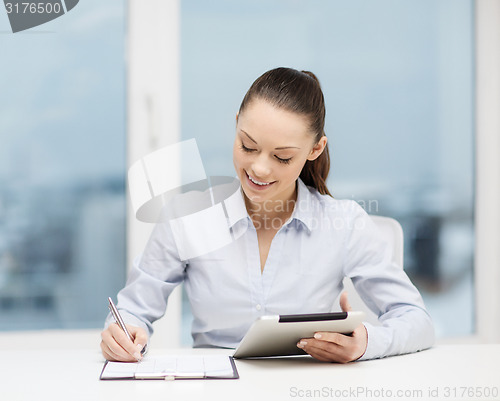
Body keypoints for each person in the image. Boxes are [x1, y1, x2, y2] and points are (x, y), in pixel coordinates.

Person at [100, 67, 435, 363]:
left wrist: (365, 342)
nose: (259, 168)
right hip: (218, 387)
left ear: (314, 149)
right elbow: (132, 311)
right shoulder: (187, 217)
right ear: (236, 126)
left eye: (283, 157)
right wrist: (122, 332)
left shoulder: (345, 224)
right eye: (248, 146)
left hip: (307, 385)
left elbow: (416, 320)